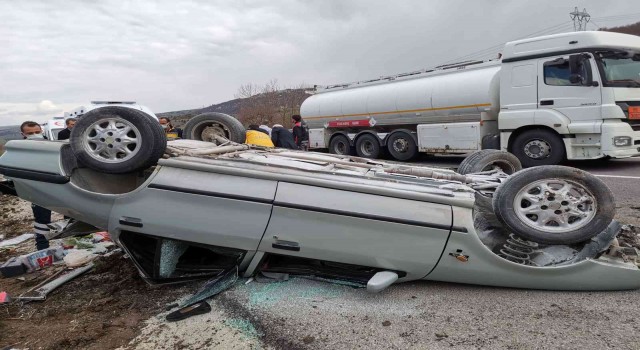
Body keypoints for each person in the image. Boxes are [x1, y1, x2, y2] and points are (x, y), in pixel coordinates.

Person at [20, 121, 52, 250]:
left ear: (42, 131)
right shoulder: (19, 148)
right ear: (23, 134)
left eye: (37, 132)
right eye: (30, 133)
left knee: (74, 214)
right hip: (37, 188)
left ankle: (77, 242)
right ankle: (43, 247)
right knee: (41, 219)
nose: (34, 134)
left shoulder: (52, 145)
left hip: (59, 184)